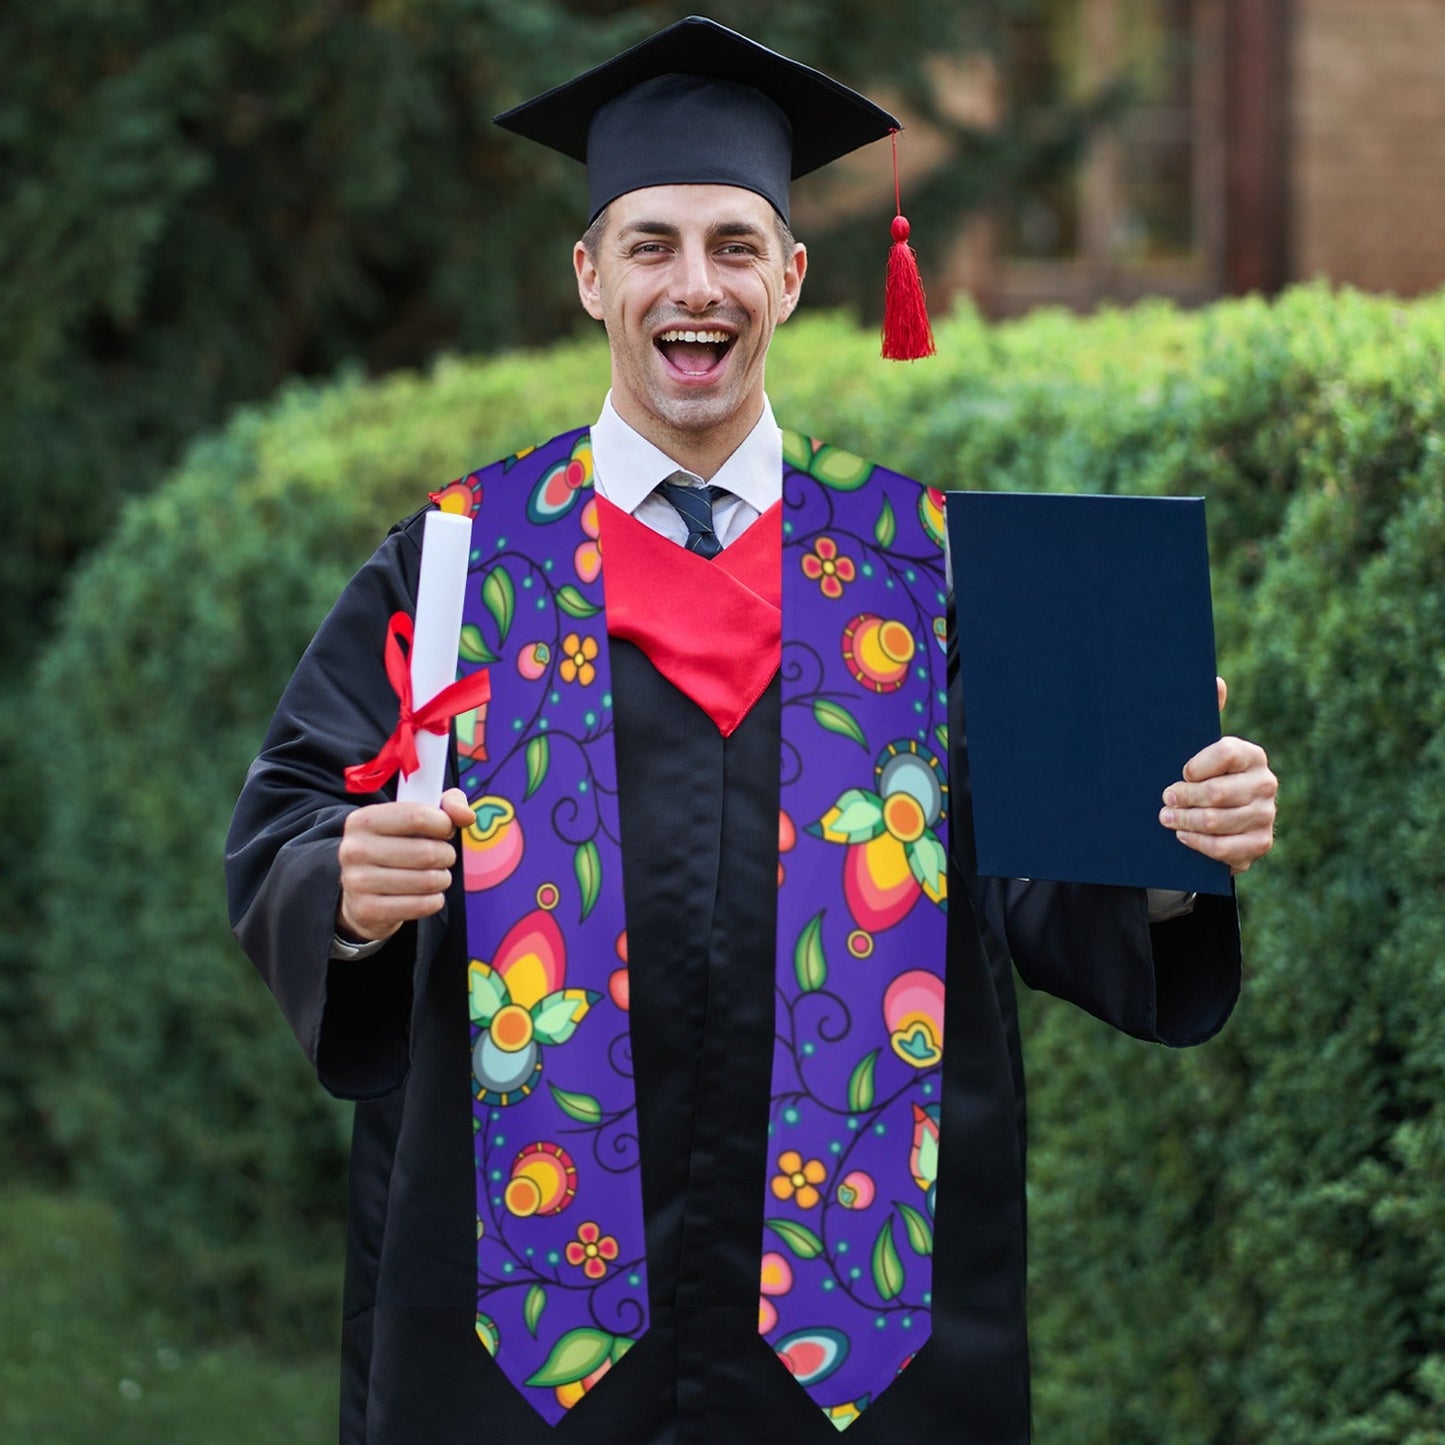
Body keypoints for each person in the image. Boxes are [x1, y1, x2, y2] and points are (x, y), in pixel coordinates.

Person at [225, 17, 1277, 1445]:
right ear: (589, 276)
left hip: (861, 1328)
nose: (694, 286)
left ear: (789, 276)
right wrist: (345, 887)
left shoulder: (924, 568)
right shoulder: (464, 562)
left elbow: (1040, 884)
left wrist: (1168, 846)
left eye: (734, 245)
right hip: (524, 1318)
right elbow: (292, 817)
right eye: (650, 245)